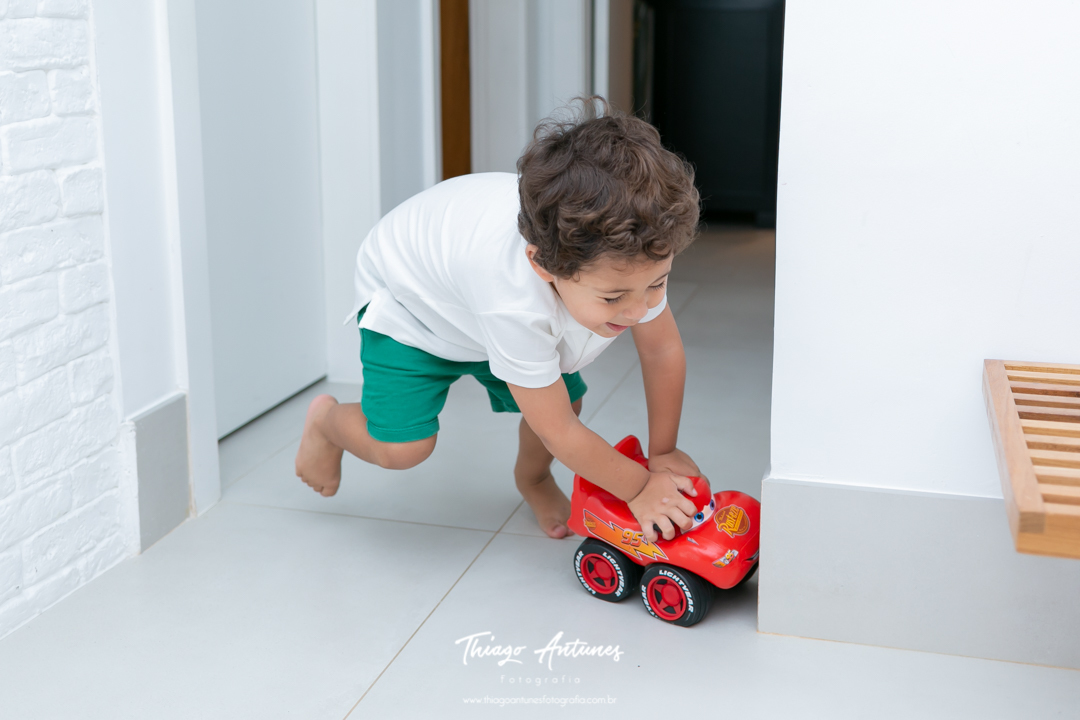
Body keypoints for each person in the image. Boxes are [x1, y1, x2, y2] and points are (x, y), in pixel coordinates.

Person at [295, 99, 704, 542]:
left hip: (471, 296)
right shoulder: (513, 302)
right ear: (543, 265)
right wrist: (640, 486)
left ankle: (532, 479)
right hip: (414, 308)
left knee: (565, 400)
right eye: (613, 297)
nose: (639, 309)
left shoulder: (632, 258)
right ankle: (328, 424)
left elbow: (661, 349)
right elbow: (558, 431)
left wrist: (663, 452)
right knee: (403, 449)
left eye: (657, 285)